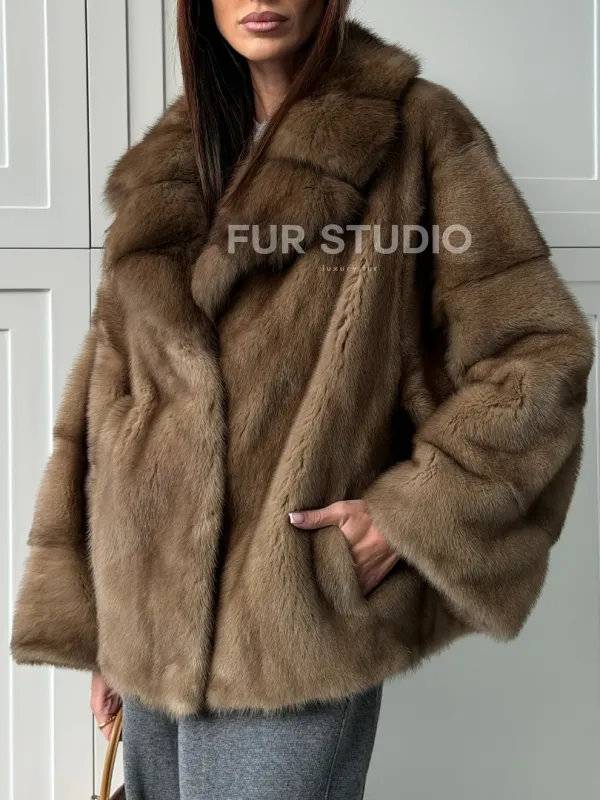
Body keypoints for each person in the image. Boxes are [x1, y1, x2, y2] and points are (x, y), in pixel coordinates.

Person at [10, 1, 595, 798]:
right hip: (147, 627)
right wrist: (104, 625)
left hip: (290, 619)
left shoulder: (416, 129)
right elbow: (108, 390)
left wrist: (407, 516)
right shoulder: (175, 157)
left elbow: (538, 351)